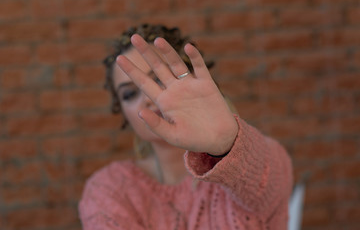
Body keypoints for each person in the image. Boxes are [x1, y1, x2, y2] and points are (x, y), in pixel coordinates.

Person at [78, 24, 293, 230]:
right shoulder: (108, 189)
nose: (148, 97)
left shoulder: (261, 162)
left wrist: (228, 144)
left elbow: (269, 179)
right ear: (123, 113)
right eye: (129, 94)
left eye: (159, 80)